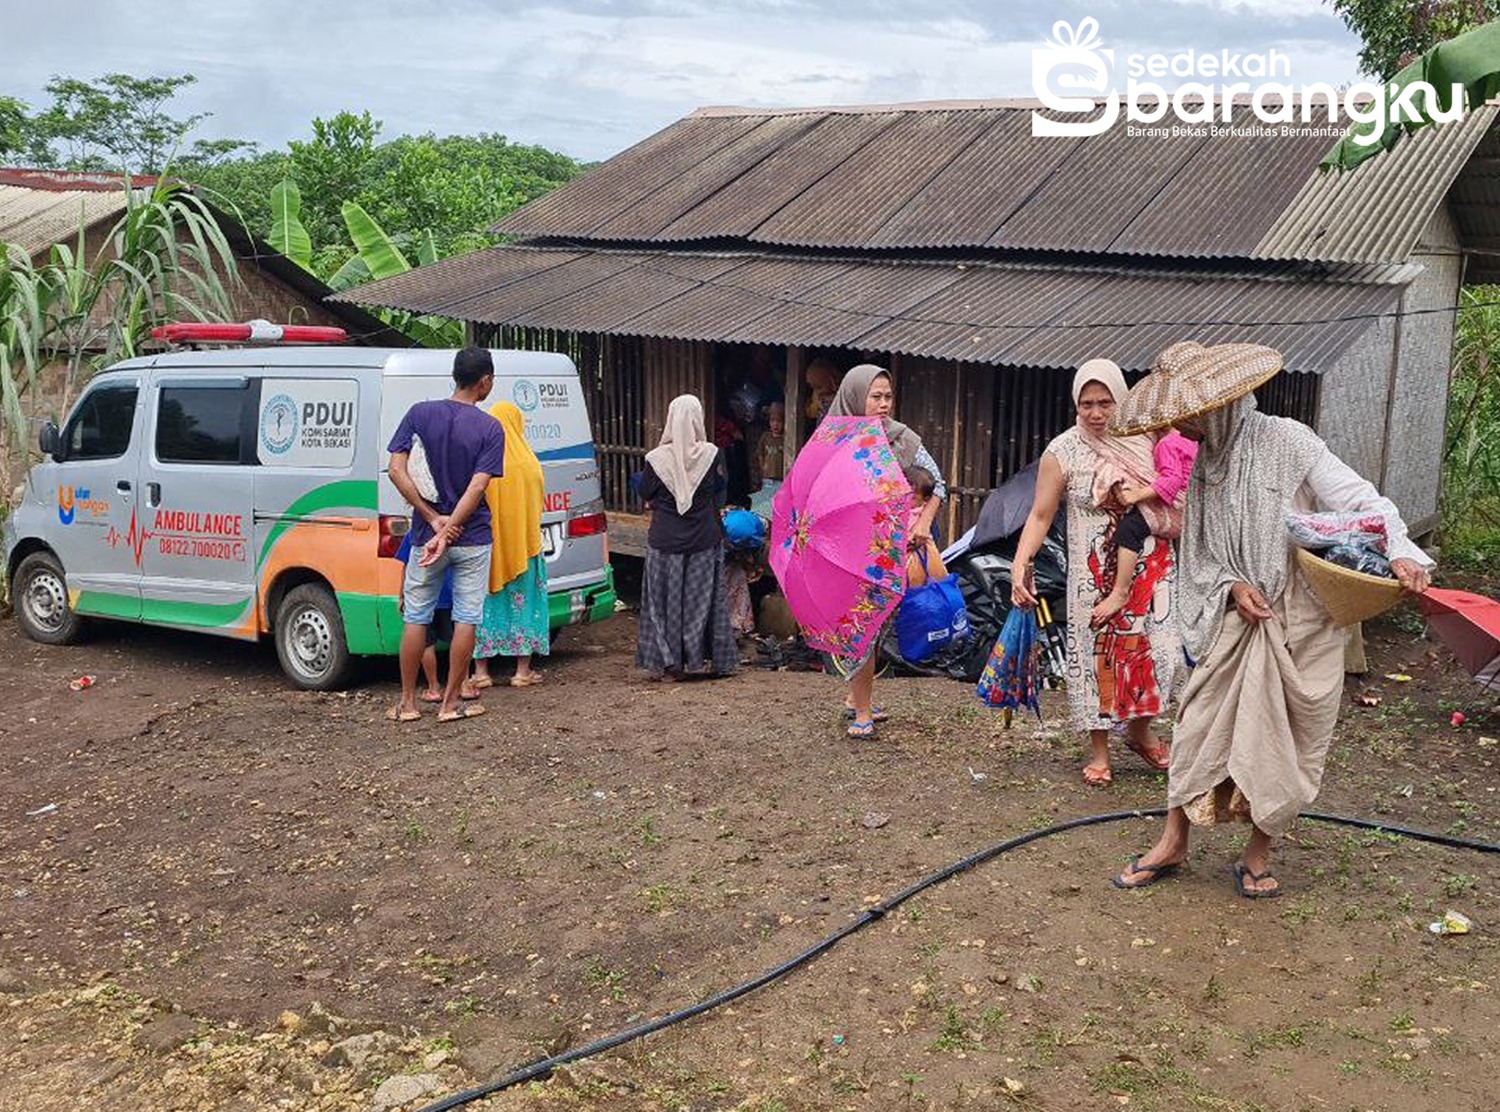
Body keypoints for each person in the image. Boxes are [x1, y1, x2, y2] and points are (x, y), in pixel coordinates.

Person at [1107, 342, 1433, 897]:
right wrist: (1232, 585)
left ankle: (1258, 855)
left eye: (1191, 414)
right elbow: (1204, 550)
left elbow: (1362, 501)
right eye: (1178, 418)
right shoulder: (1206, 461)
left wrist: (1398, 548)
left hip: (1301, 618)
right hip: (1237, 617)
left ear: (1223, 403)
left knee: (1285, 736)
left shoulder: (1288, 441)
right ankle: (1174, 840)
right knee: (1196, 724)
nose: (1184, 425)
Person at [1011, 359, 1177, 785]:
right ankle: (1100, 749)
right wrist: (1020, 563)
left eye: (1105, 402)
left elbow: (1178, 483)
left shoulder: (1148, 436)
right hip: (1093, 573)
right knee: (1096, 656)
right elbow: (1041, 514)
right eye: (1087, 404)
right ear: (1076, 405)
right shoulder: (1062, 451)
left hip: (1151, 566)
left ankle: (1140, 731)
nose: (1097, 412)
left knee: (1160, 651)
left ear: (1121, 399)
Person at [386, 347, 507, 723]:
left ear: (455, 375)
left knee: (416, 617)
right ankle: (450, 704)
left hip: (425, 536)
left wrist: (433, 520)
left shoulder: (419, 414)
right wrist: (452, 525)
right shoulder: (489, 427)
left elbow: (395, 470)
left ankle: (407, 703)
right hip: (472, 538)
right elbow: (476, 487)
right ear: (485, 381)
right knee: (466, 617)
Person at [824, 364, 945, 738]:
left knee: (878, 625)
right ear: (855, 397)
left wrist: (924, 521)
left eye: (887, 396)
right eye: (874, 396)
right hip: (853, 548)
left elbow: (937, 483)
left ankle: (855, 699)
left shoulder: (903, 440)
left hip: (894, 547)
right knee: (863, 625)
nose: (882, 404)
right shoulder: (832, 442)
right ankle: (862, 713)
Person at [636, 395, 740, 679]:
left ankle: (670, 663)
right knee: (700, 603)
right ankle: (700, 660)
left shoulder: (656, 460)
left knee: (663, 604)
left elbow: (646, 491)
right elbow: (720, 490)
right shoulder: (711, 454)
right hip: (703, 539)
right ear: (697, 419)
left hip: (663, 542)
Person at [471, 402, 551, 690]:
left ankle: (481, 672)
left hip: (489, 549)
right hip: (526, 548)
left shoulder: (484, 462)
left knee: (483, 606)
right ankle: (522, 671)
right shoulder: (530, 463)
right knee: (525, 605)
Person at [1091, 427, 1199, 628]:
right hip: (1191, 510)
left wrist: (1136, 495)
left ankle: (1120, 591)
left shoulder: (1166, 444)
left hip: (1176, 510)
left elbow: (1172, 480)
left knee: (1128, 530)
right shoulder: (1190, 441)